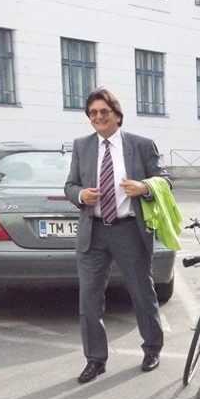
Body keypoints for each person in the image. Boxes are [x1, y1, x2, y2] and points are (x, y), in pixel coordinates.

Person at [64, 87, 170, 383]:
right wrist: (81, 194)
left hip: (129, 229)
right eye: (93, 113)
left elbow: (165, 180)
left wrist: (144, 187)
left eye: (104, 112)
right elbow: (69, 185)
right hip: (93, 231)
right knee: (89, 300)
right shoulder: (82, 146)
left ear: (117, 115)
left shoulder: (141, 145)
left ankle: (152, 349)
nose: (98, 117)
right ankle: (95, 359)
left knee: (142, 292)